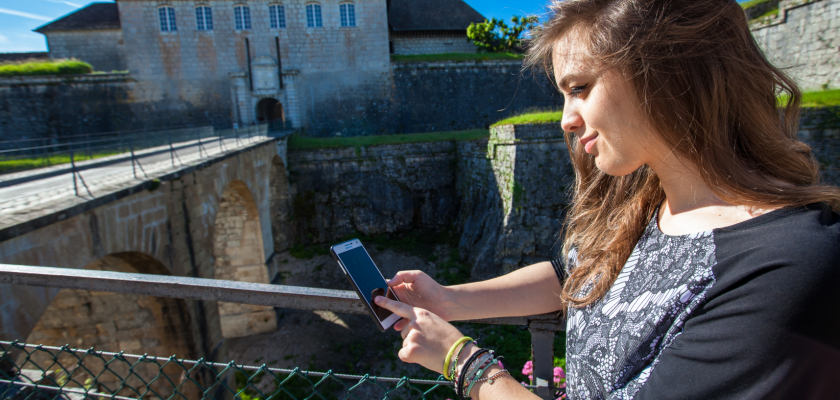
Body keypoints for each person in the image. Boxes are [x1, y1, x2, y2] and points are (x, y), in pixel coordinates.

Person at [373, 0, 840, 398]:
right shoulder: (647, 197)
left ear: (665, 70)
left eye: (579, 88)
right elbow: (578, 276)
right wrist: (450, 300)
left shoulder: (783, 265)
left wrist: (465, 363)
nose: (565, 121)